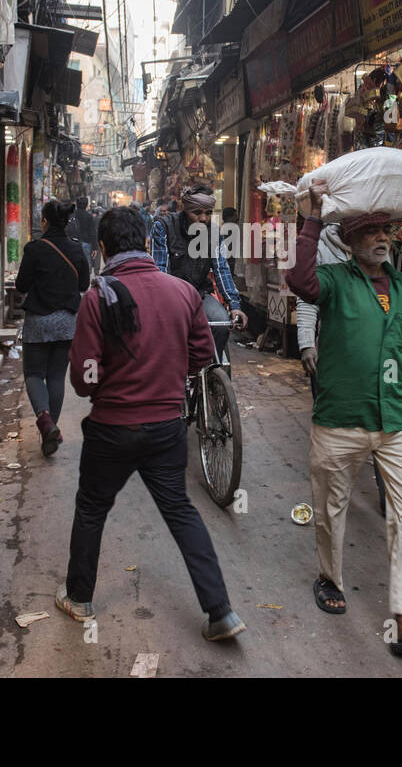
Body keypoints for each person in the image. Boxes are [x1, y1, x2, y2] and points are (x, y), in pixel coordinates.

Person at [58, 206, 246, 641]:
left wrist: (108, 373)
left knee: (91, 509)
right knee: (181, 513)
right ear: (145, 241)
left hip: (111, 428)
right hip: (165, 428)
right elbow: (203, 359)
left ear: (103, 248)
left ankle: (80, 598)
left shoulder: (97, 296)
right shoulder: (182, 292)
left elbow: (84, 381)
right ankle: (221, 612)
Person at [287, 179, 402, 659]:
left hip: (395, 417)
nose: (382, 238)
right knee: (331, 507)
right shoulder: (334, 280)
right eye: (371, 231)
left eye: (386, 231)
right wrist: (312, 220)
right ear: (351, 240)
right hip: (340, 416)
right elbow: (300, 282)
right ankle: (329, 576)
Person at [296, 220, 389, 518]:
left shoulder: (381, 248)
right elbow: (309, 297)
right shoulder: (325, 246)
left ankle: (393, 497)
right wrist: (307, 342)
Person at [15, 200, 90, 455]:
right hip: (67, 322)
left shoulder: (35, 249)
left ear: (44, 222)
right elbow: (83, 285)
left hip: (38, 321)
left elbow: (22, 285)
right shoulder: (77, 249)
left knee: (34, 374)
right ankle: (51, 427)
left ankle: (45, 422)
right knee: (57, 376)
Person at [150, 184, 247, 356]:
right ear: (185, 209)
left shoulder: (214, 233)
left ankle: (211, 372)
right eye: (197, 212)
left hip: (200, 294)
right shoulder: (163, 227)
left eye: (208, 213)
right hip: (172, 296)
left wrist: (234, 305)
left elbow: (221, 269)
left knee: (221, 323)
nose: (204, 218)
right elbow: (160, 270)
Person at [70, 195, 99, 273]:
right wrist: (95, 247)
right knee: (86, 262)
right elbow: (93, 233)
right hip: (86, 242)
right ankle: (85, 277)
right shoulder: (89, 217)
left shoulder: (72, 215)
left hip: (72, 241)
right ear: (86, 205)